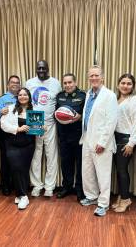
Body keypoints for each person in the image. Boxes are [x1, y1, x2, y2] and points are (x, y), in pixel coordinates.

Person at [79, 65, 118, 217]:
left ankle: (103, 204)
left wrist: (102, 142)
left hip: (102, 141)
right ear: (88, 78)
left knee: (103, 174)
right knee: (87, 171)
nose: (94, 78)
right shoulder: (89, 94)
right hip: (87, 137)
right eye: (91, 76)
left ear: (102, 77)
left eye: (96, 75)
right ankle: (92, 196)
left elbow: (111, 121)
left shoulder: (109, 96)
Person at [26, 60, 62, 197]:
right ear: (36, 69)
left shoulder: (55, 83)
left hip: (50, 123)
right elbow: (26, 101)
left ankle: (49, 186)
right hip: (34, 122)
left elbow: (59, 101)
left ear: (48, 69)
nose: (41, 70)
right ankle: (36, 185)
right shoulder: (29, 83)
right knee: (36, 155)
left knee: (51, 155)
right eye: (39, 68)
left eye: (44, 68)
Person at [112, 74, 136, 213]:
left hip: (126, 139)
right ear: (118, 84)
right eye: (123, 83)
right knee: (118, 170)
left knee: (122, 170)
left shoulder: (134, 101)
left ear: (133, 86)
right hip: (114, 138)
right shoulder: (115, 99)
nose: (125, 86)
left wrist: (132, 143)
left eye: (129, 83)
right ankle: (121, 195)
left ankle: (126, 199)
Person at [0, 87, 35, 210]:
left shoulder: (34, 110)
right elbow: (3, 124)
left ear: (29, 97)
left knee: (24, 169)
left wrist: (42, 128)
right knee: (16, 167)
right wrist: (17, 129)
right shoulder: (9, 109)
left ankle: (20, 194)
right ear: (17, 97)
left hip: (28, 145)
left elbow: (37, 129)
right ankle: (24, 196)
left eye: (25, 94)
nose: (22, 97)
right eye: (20, 95)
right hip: (12, 143)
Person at [55, 73, 86, 201]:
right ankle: (66, 187)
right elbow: (55, 114)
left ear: (75, 82)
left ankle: (80, 189)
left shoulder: (83, 96)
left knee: (80, 164)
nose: (67, 85)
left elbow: (88, 114)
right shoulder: (59, 96)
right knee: (65, 163)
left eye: (70, 82)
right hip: (63, 136)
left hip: (78, 136)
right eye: (65, 83)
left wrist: (79, 117)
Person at [0, 75, 21, 196]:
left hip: (20, 132)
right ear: (8, 85)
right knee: (6, 160)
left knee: (18, 160)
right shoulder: (1, 99)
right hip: (5, 134)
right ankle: (5, 186)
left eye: (17, 83)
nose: (15, 84)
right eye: (12, 82)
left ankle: (17, 185)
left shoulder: (23, 97)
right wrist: (0, 112)